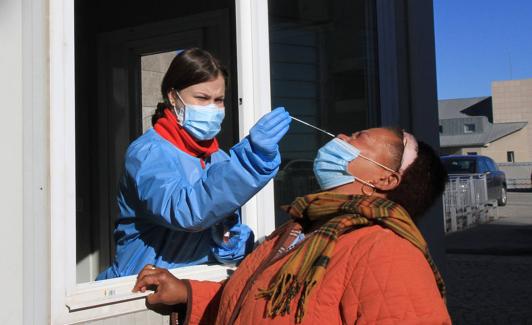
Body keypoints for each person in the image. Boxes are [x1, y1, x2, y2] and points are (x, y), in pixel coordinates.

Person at [133, 127, 452, 324]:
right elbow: (257, 304)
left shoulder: (386, 253)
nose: (341, 137)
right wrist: (189, 294)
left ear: (385, 178)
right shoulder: (301, 228)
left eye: (358, 138)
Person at [97, 48, 292, 279]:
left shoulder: (218, 158)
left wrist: (232, 242)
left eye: (218, 100)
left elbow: (225, 240)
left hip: (198, 285)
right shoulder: (148, 153)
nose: (212, 108)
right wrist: (252, 161)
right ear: (173, 97)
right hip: (141, 291)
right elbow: (186, 212)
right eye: (202, 98)